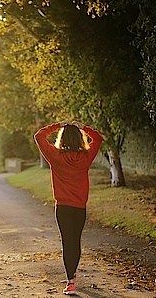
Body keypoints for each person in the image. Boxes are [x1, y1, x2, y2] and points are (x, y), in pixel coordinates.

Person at [34, 120, 104, 295]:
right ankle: (73, 275)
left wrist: (58, 125)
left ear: (62, 138)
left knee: (67, 242)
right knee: (76, 241)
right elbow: (98, 138)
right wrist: (83, 127)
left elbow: (39, 136)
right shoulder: (86, 157)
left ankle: (70, 281)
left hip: (63, 208)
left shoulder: (55, 156)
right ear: (80, 139)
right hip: (80, 207)